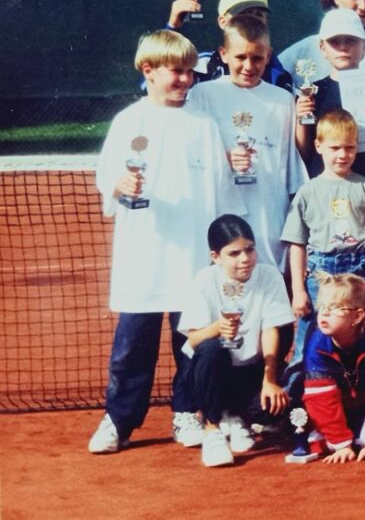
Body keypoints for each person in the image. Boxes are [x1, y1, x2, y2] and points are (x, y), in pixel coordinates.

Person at [89, 30, 242, 454]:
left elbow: (223, 189)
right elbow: (107, 177)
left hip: (193, 256)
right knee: (131, 345)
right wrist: (119, 184)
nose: (186, 80)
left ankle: (186, 412)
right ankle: (119, 420)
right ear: (149, 70)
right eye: (176, 71)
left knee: (189, 340)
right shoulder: (129, 121)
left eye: (190, 72)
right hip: (144, 255)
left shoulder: (204, 124)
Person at [187, 14, 308, 270]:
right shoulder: (201, 94)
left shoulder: (283, 100)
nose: (248, 66)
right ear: (224, 54)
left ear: (268, 55)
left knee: (269, 281)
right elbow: (190, 155)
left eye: (257, 58)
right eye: (240, 57)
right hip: (220, 209)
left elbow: (291, 162)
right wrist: (225, 159)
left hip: (269, 214)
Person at [177, 215, 292, 467]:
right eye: (234, 253)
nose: (245, 259)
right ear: (215, 256)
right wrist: (217, 328)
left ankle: (239, 417)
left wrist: (270, 381)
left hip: (251, 371)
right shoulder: (204, 280)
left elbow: (270, 329)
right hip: (213, 374)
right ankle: (213, 430)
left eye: (250, 249)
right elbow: (193, 340)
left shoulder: (269, 275)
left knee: (286, 401)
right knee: (210, 348)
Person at [281, 109, 365, 367]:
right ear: (318, 146)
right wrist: (298, 290)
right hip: (321, 272)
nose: (343, 155)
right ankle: (299, 388)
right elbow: (297, 243)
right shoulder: (308, 191)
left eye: (349, 147)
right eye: (335, 148)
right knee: (310, 337)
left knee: (364, 331)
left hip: (361, 268)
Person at [301, 273, 365, 463]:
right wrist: (341, 445)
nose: (324, 313)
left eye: (335, 307)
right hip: (339, 409)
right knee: (319, 442)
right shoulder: (316, 346)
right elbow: (321, 400)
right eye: (322, 306)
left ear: (358, 316)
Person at [166, 0, 291, 90]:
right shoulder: (202, 65)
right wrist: (173, 26)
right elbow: (159, 78)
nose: (250, 20)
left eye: (258, 15)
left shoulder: (279, 74)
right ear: (222, 22)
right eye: (242, 15)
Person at [295, 8, 365, 177]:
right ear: (322, 47)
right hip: (325, 184)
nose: (343, 47)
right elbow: (303, 153)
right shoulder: (310, 94)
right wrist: (301, 119)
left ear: (364, 46)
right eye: (335, 41)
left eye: (351, 40)